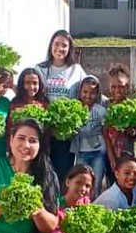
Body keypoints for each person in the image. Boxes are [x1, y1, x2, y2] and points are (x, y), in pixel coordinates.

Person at [35, 29, 87, 183]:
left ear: (69, 48)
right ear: (51, 45)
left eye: (64, 45)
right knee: (42, 170)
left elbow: (90, 90)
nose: (59, 48)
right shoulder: (40, 69)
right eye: (56, 44)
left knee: (63, 171)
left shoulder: (76, 70)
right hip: (44, 130)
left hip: (65, 133)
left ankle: (59, 204)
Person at [104, 64, 136, 185]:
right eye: (113, 87)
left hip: (127, 155)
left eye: (121, 87)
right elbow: (106, 135)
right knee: (112, 184)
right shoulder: (106, 106)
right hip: (110, 156)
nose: (117, 90)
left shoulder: (133, 107)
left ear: (127, 87)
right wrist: (112, 159)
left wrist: (129, 129)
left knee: (128, 184)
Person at [70, 76, 107, 195]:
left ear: (97, 94)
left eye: (92, 93)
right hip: (81, 152)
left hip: (98, 152)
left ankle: (95, 209)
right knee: (81, 184)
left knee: (95, 185)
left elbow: (105, 132)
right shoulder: (75, 109)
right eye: (85, 92)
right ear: (80, 92)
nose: (88, 95)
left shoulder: (101, 110)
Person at [7, 67, 49, 143]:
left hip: (40, 146)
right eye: (27, 83)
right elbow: (10, 128)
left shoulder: (44, 102)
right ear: (22, 84)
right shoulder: (15, 103)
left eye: (35, 83)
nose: (31, 87)